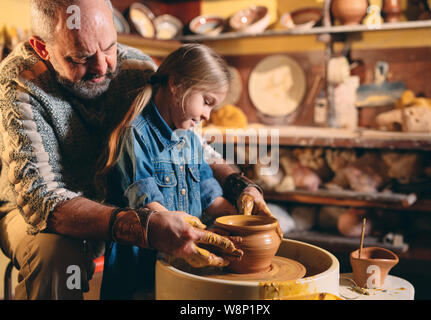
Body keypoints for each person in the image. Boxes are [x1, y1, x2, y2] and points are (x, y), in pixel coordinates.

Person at [0, 0, 276, 299]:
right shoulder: (18, 82)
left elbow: (191, 145)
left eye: (109, 47)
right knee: (57, 256)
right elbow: (42, 200)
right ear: (43, 49)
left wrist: (240, 186)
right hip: (37, 210)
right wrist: (145, 226)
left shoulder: (137, 67)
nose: (102, 66)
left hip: (121, 198)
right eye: (81, 57)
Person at [96, 43, 248, 299]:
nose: (207, 115)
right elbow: (151, 209)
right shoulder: (135, 134)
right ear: (176, 84)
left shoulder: (188, 137)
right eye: (206, 102)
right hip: (139, 271)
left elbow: (210, 197)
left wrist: (240, 220)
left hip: (183, 263)